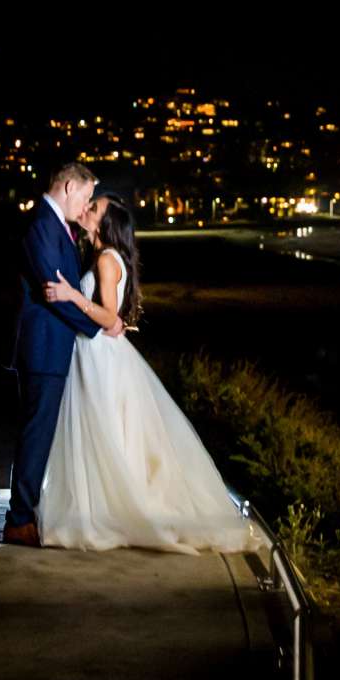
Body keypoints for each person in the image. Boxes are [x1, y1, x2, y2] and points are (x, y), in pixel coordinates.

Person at [36, 194, 263, 553]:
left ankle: (108, 511)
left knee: (105, 432)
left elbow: (110, 316)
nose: (87, 209)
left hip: (101, 358)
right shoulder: (100, 257)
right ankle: (98, 506)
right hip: (94, 353)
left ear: (105, 224)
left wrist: (69, 295)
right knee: (102, 434)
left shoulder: (108, 260)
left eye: (94, 209)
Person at [1, 162, 105, 547]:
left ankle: (28, 513)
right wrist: (97, 326)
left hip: (53, 346)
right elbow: (52, 287)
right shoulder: (42, 225)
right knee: (36, 433)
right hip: (43, 347)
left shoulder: (58, 225)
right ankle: (18, 520)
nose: (86, 205)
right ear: (66, 187)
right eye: (85, 197)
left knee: (42, 434)